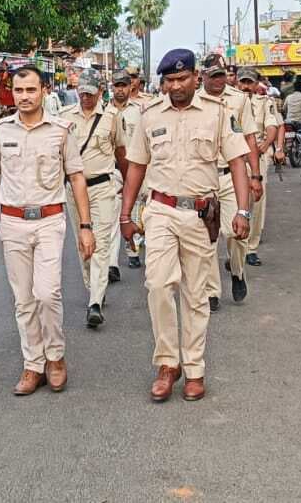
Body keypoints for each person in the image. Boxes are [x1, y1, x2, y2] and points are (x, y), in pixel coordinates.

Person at [120, 49, 252, 403]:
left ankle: (193, 368)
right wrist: (125, 214)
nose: (176, 86)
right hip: (160, 211)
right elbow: (136, 166)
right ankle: (167, 363)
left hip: (199, 213)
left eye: (182, 79)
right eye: (170, 81)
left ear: (196, 78)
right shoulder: (150, 116)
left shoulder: (218, 114)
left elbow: (238, 162)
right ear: (162, 83)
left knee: (196, 294)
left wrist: (243, 211)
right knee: (158, 286)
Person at [0, 66, 95, 396]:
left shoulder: (61, 131)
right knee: (23, 299)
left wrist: (85, 226)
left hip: (51, 221)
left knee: (47, 293)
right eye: (19, 90)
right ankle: (33, 364)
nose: (24, 97)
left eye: (31, 90)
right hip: (12, 224)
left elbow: (77, 178)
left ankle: (55, 357)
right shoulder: (0, 132)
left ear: (44, 91)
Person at [197, 54, 261, 310]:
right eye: (212, 76)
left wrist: (255, 176)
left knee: (236, 232)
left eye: (221, 75)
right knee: (207, 237)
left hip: (231, 175)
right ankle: (212, 291)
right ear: (203, 77)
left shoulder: (239, 99)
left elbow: (250, 139)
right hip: (203, 176)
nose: (218, 80)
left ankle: (237, 271)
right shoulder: (195, 101)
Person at [67, 77, 127, 328]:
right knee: (84, 245)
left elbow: (121, 153)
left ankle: (94, 302)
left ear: (101, 92)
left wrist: (127, 189)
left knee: (100, 243)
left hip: (102, 187)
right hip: (73, 190)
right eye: (82, 93)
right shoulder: (65, 116)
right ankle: (94, 286)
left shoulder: (112, 117)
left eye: (90, 93)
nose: (86, 97)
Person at [239, 69, 281, 267]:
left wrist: (266, 145)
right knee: (237, 203)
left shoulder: (265, 103)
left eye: (249, 82)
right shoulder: (230, 102)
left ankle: (251, 248)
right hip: (236, 158)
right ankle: (237, 247)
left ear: (256, 84)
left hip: (257, 157)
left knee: (257, 202)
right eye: (243, 82)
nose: (246, 86)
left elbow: (272, 126)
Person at [108, 70, 145, 273]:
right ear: (111, 87)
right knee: (113, 215)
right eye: (117, 86)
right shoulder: (105, 111)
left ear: (130, 87)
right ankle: (112, 264)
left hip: (136, 167)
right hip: (112, 170)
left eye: (123, 85)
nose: (120, 89)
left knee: (135, 209)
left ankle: (133, 250)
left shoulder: (140, 110)